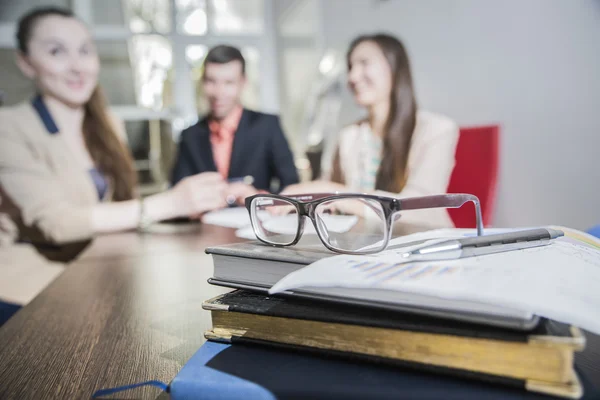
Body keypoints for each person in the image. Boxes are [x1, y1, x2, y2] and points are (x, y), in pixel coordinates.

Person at [0, 7, 231, 248]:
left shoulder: (109, 123)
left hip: (105, 265)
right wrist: (171, 203)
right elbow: (57, 224)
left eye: (85, 50)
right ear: (25, 62)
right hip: (38, 280)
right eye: (56, 51)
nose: (77, 66)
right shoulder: (8, 127)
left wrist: (193, 201)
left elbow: (124, 205)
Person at [282, 33, 460, 234]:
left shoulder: (437, 129)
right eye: (350, 67)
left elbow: (423, 209)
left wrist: (332, 193)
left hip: (423, 245)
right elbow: (326, 197)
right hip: (361, 247)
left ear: (395, 67)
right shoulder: (348, 135)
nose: (352, 77)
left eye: (364, 63)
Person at [170, 45, 299, 201]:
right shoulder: (190, 135)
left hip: (255, 220)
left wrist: (258, 197)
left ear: (243, 83)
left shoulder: (267, 125)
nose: (219, 93)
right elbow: (177, 193)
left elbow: (292, 185)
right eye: (211, 81)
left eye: (229, 83)